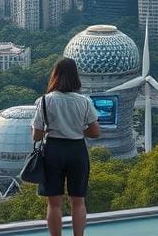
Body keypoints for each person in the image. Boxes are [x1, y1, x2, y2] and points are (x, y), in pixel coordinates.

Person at [31, 56, 101, 236]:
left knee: (54, 203)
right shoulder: (84, 101)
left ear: (55, 76)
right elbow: (95, 132)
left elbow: (36, 135)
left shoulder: (45, 101)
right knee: (78, 201)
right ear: (75, 77)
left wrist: (50, 130)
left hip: (53, 150)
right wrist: (76, 131)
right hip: (77, 150)